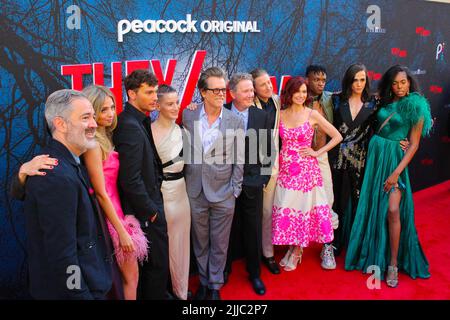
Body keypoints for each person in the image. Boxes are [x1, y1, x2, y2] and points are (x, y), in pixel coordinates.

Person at [345, 65, 432, 287]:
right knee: (374, 206)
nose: (399, 87)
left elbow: (413, 145)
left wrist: (396, 172)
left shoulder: (417, 106)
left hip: (395, 162)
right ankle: (372, 254)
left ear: (410, 82)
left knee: (393, 210)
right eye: (395, 83)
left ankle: (393, 262)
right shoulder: (380, 100)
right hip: (375, 158)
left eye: (403, 82)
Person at [23, 89, 112, 299]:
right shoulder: (55, 177)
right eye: (85, 118)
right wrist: (80, 295)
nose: (94, 124)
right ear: (61, 124)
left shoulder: (70, 165)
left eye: (92, 116)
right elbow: (63, 256)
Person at [330, 64, 409, 256]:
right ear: (349, 80)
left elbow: (389, 124)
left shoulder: (375, 102)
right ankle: (334, 243)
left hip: (363, 158)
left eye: (362, 79)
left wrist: (403, 139)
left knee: (359, 201)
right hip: (338, 158)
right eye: (355, 79)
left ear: (367, 81)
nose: (358, 84)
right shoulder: (335, 99)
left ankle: (357, 244)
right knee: (338, 202)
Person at [182, 67, 244, 300]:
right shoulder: (189, 115)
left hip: (224, 191)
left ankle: (215, 285)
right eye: (215, 90)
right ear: (202, 92)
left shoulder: (234, 120)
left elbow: (240, 157)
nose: (221, 94)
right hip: (195, 190)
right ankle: (204, 283)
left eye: (223, 89)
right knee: (200, 241)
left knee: (220, 242)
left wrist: (235, 189)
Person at [81, 85, 148, 300]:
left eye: (112, 107)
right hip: (109, 219)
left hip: (117, 213)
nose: (110, 114)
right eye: (103, 110)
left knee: (129, 278)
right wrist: (121, 231)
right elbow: (100, 192)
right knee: (130, 278)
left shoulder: (105, 137)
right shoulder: (92, 145)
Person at [272, 77, 342, 271]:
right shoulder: (281, 113)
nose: (302, 95)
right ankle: (292, 247)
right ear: (289, 93)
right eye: (298, 91)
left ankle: (296, 251)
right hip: (285, 169)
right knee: (288, 207)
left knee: (302, 210)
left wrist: (317, 152)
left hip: (306, 171)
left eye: (305, 92)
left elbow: (337, 136)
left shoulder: (312, 114)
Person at [113, 69, 169, 300]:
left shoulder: (138, 120)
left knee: (154, 268)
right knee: (155, 269)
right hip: (144, 212)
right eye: (149, 92)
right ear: (131, 94)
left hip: (149, 205)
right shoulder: (128, 126)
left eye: (156, 91)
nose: (155, 97)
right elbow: (130, 179)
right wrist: (152, 212)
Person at [224, 73, 272, 295]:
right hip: (224, 184)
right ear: (232, 93)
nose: (251, 94)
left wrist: (263, 179)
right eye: (246, 91)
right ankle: (223, 272)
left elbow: (268, 151)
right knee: (224, 230)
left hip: (253, 183)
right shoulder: (219, 112)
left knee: (253, 231)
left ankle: (255, 274)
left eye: (252, 90)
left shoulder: (261, 116)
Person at [151, 85, 191, 300]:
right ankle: (163, 291)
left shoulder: (183, 131)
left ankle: (181, 292)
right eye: (169, 103)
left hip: (181, 193)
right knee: (161, 247)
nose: (176, 107)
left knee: (182, 245)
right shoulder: (148, 133)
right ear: (157, 106)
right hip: (161, 195)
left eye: (177, 102)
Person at [305, 65, 339, 269]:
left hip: (322, 156)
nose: (320, 83)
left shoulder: (329, 98)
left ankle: (328, 246)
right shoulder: (295, 96)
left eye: (323, 80)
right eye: (316, 79)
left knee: (328, 199)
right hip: (300, 158)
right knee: (298, 203)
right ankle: (296, 247)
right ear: (306, 80)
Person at [250, 68, 281, 275]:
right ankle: (259, 253)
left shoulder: (278, 101)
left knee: (271, 210)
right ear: (253, 89)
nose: (269, 87)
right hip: (254, 166)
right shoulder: (248, 105)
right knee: (260, 212)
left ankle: (268, 253)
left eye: (269, 82)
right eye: (263, 85)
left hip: (277, 163)